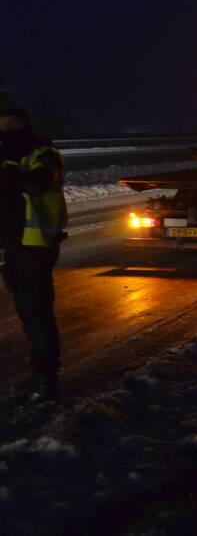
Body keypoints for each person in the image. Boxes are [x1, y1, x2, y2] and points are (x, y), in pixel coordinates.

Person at [0, 107, 67, 401]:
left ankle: (47, 378)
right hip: (10, 247)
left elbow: (39, 183)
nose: (5, 132)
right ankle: (40, 373)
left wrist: (9, 174)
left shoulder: (43, 154)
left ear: (24, 126)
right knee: (28, 312)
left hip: (34, 248)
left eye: (10, 126)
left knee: (37, 311)